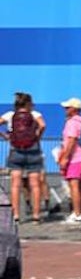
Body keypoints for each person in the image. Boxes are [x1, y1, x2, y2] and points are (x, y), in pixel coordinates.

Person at [0, 92, 46, 224]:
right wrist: (38, 136)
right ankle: (36, 216)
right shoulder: (35, 115)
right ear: (29, 104)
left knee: (15, 185)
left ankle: (15, 215)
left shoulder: (9, 115)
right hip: (33, 150)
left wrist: (5, 136)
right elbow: (43, 125)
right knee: (35, 185)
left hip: (15, 151)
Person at [57, 97, 81, 225]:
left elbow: (71, 141)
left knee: (74, 186)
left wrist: (65, 157)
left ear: (74, 109)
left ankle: (77, 214)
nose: (65, 110)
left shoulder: (71, 123)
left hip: (75, 158)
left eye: (67, 107)